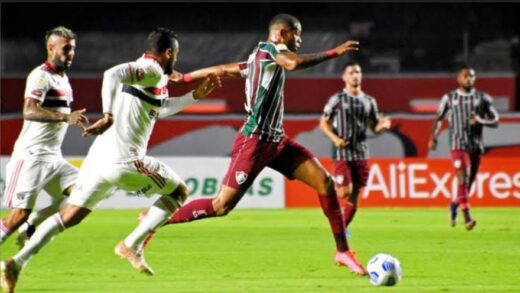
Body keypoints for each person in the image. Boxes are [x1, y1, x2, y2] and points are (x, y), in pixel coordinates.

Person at [138, 14, 367, 276]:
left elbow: (224, 69)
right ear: (282, 34)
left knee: (325, 183)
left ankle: (343, 251)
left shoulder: (257, 56)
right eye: (297, 33)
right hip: (254, 140)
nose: (300, 39)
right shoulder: (273, 50)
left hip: (276, 140)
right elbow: (292, 64)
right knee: (221, 205)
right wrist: (333, 52)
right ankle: (150, 221)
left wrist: (187, 78)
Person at [0, 27, 220, 292]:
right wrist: (108, 115)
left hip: (98, 161)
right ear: (169, 52)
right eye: (177, 54)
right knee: (179, 192)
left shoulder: (152, 78)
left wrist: (194, 96)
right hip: (124, 160)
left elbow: (159, 109)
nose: (177, 60)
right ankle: (132, 244)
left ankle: (16, 262)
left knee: (69, 215)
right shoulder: (149, 69)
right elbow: (111, 73)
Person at [0, 26, 87, 248]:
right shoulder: (41, 76)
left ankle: (33, 223)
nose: (71, 54)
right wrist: (65, 118)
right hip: (31, 156)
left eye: (73, 49)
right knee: (17, 215)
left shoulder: (63, 79)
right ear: (51, 48)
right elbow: (29, 111)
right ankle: (26, 222)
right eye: (66, 49)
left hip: (53, 157)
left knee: (85, 193)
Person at [319, 62, 391, 237]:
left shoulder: (369, 101)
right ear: (344, 77)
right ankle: (326, 193)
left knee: (356, 192)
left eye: (358, 72)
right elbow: (324, 122)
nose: (355, 75)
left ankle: (342, 228)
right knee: (344, 191)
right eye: (351, 72)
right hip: (342, 151)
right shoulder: (337, 99)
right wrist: (335, 139)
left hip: (361, 151)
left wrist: (382, 126)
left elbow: (373, 127)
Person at [428, 65, 499, 230]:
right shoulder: (450, 98)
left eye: (472, 76)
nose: (469, 79)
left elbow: (495, 120)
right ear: (458, 79)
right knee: (463, 177)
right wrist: (433, 137)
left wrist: (480, 120)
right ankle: (467, 217)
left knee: (468, 184)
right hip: (457, 145)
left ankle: (454, 204)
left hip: (475, 147)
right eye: (466, 76)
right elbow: (439, 118)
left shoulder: (483, 98)